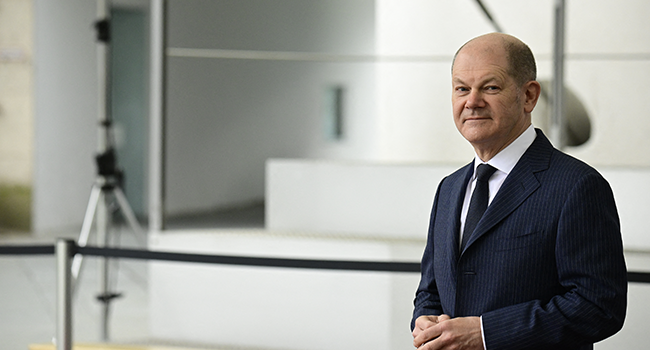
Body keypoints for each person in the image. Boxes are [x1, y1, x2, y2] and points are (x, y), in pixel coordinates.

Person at [411, 33, 627, 350]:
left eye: (490, 87)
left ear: (528, 96)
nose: (472, 101)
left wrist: (486, 334)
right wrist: (425, 321)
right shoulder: (449, 188)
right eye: (461, 88)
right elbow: (430, 290)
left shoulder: (577, 185)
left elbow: (599, 305)